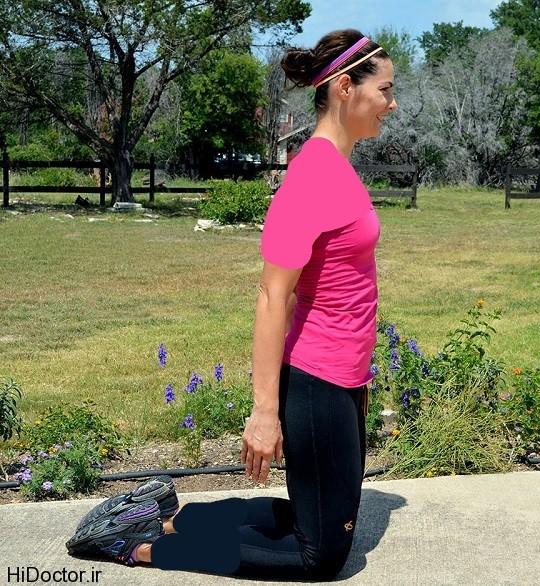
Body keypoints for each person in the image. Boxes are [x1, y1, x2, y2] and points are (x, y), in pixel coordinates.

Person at [66, 28, 397, 581]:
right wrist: (264, 412)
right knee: (320, 557)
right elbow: (272, 295)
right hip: (317, 378)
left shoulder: (339, 167)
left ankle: (167, 519)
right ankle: (137, 546)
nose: (392, 102)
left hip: (343, 377)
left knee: (317, 519)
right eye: (384, 89)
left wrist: (358, 382)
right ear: (345, 88)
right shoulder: (313, 175)